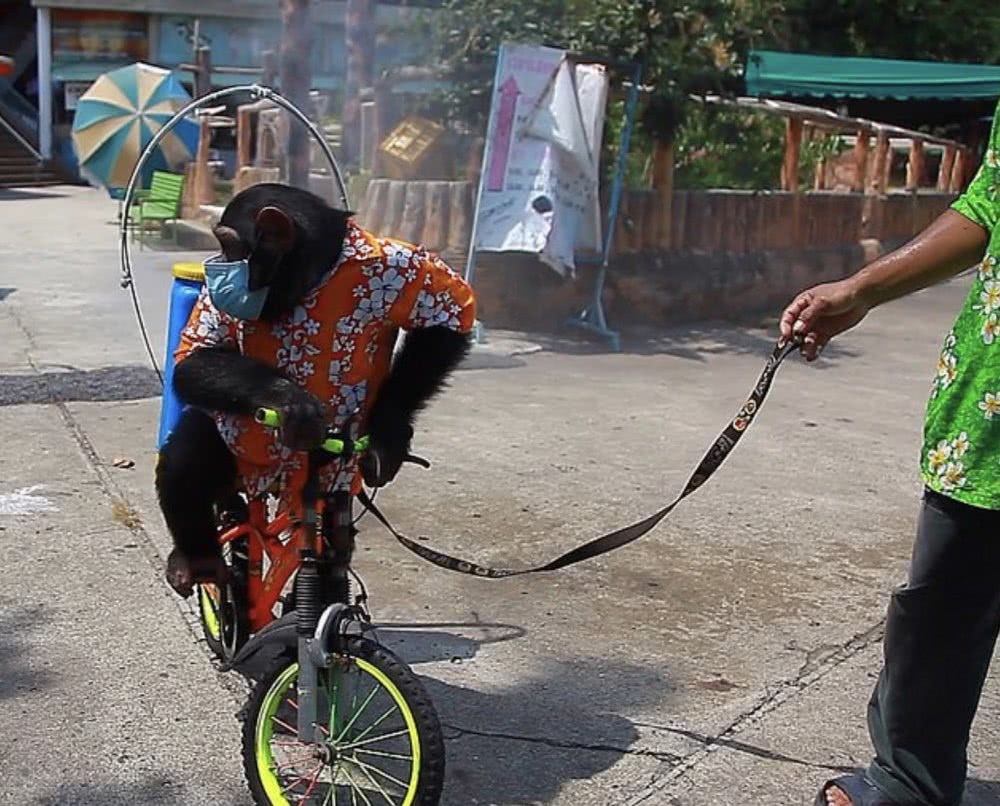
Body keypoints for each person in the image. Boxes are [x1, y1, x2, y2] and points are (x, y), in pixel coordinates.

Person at [783, 103, 1000, 806]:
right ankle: (909, 782)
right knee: (943, 608)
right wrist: (863, 288)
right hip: (989, 413)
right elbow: (987, 203)